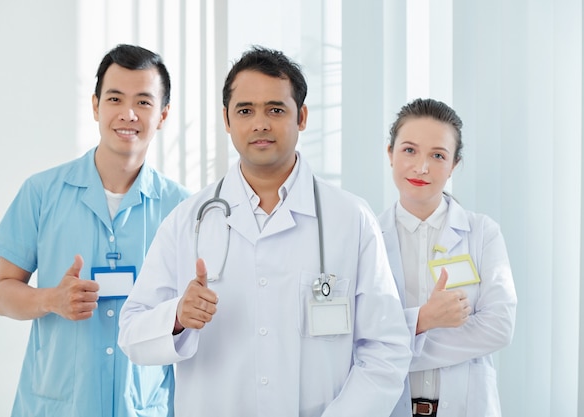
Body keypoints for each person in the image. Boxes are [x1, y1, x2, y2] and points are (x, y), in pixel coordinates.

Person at [118, 45, 412, 416]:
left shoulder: (351, 219)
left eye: (276, 109)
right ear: (226, 119)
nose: (260, 123)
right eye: (245, 111)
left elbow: (386, 348)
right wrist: (177, 316)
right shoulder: (187, 221)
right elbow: (131, 333)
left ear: (301, 116)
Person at [0, 44, 190, 417]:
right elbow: (1, 294)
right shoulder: (41, 193)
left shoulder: (181, 208)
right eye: (115, 98)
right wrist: (50, 300)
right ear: (96, 106)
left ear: (162, 115)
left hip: (144, 408)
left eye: (144, 102)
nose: (127, 114)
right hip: (56, 407)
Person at [379, 98, 517, 417]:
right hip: (391, 407)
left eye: (438, 155)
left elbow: (499, 326)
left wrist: (398, 344)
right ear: (390, 154)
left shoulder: (483, 233)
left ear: (454, 164)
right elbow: (358, 334)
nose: (421, 167)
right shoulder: (368, 236)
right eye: (409, 150)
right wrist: (424, 319)